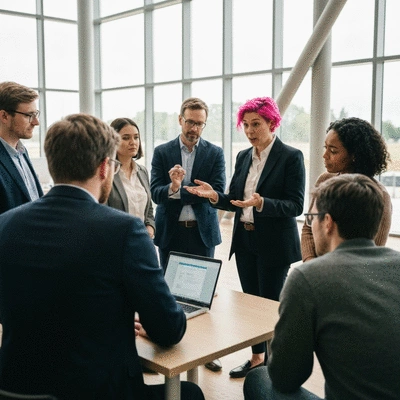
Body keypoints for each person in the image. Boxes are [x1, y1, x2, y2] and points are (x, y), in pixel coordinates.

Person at [0, 113, 204, 400]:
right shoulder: (124, 231)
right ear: (105, 167)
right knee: (191, 393)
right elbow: (170, 329)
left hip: (16, 389)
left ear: (51, 163)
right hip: (98, 392)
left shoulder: (5, 225)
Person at [243, 173, 400, 400]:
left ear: (327, 223)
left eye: (312, 218)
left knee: (259, 379)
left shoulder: (308, 278)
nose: (310, 224)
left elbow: (285, 377)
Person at [185, 96, 305, 378]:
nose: (250, 131)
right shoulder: (243, 156)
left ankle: (276, 366)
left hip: (274, 243)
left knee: (271, 306)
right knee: (252, 306)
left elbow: (295, 205)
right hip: (246, 241)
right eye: (246, 125)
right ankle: (257, 359)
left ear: (272, 123)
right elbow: (236, 200)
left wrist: (262, 203)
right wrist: (214, 196)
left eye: (257, 124)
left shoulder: (291, 156)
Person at [150, 97, 226, 372]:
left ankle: (207, 353)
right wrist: (174, 186)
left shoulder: (215, 153)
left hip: (202, 233)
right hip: (171, 233)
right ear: (180, 119)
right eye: (190, 121)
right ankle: (173, 347)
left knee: (202, 298)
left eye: (200, 123)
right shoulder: (161, 152)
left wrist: (178, 193)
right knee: (169, 294)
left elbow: (216, 193)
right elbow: (155, 193)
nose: (194, 128)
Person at [302, 117, 392, 262]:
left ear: (354, 155)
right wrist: (311, 264)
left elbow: (372, 252)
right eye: (326, 148)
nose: (325, 155)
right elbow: (308, 227)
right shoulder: (324, 181)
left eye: (333, 151)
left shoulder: (379, 195)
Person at [107, 117, 155, 238]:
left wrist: (150, 228)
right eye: (126, 138)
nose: (133, 142)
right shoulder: (107, 173)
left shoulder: (142, 171)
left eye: (136, 137)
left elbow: (148, 210)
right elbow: (103, 214)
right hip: (117, 242)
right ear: (113, 141)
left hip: (143, 241)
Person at [0, 81, 43, 215]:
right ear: (4, 116)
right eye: (28, 116)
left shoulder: (22, 153)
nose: (36, 122)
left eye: (36, 114)